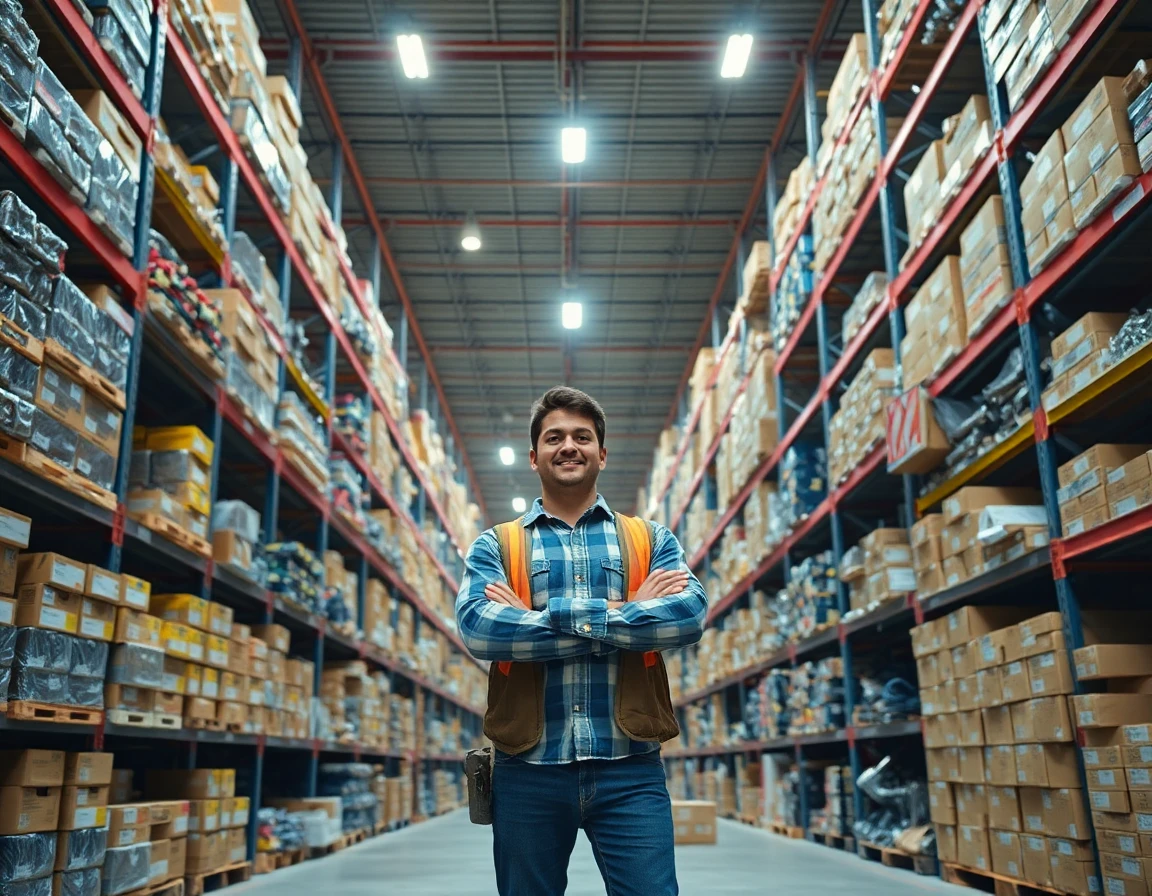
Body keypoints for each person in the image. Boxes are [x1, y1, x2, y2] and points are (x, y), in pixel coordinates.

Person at [456, 386, 708, 896]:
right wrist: (625, 614)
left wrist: (539, 619)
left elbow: (687, 616)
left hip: (629, 768)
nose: (568, 446)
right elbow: (480, 629)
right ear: (534, 457)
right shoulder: (497, 544)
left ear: (602, 453)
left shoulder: (650, 539)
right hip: (527, 769)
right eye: (554, 437)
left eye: (581, 436)